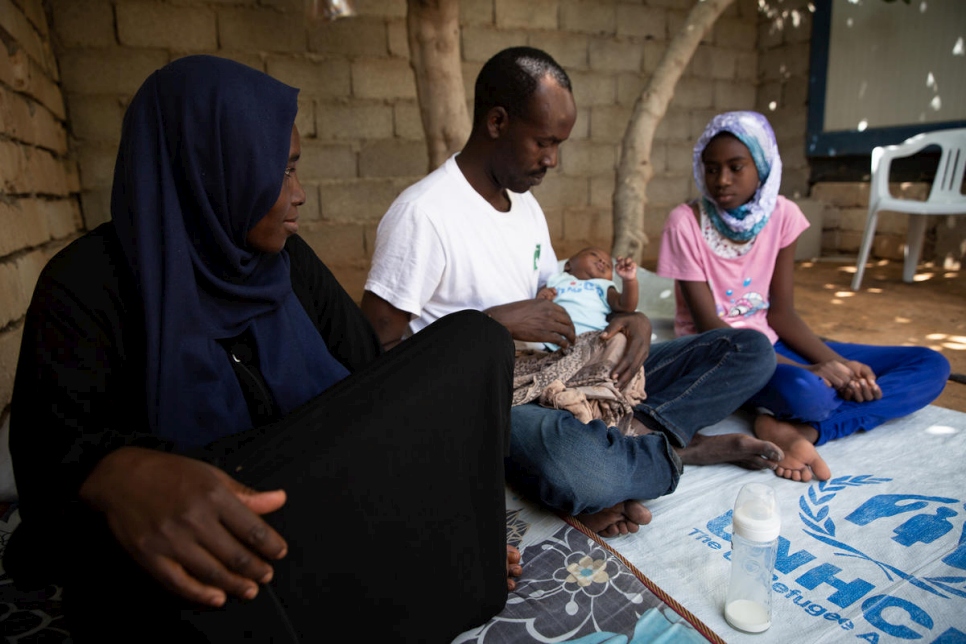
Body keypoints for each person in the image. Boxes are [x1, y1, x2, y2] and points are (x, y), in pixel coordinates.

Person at [4, 55, 522, 642]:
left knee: (475, 342)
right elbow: (52, 480)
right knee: (152, 595)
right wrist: (119, 474)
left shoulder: (288, 266)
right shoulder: (88, 284)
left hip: (319, 505)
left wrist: (439, 505)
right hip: (207, 546)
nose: (298, 195)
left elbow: (368, 394)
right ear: (208, 170)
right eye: (281, 172)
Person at [361, 46, 786, 539]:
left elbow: (557, 292)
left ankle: (644, 435)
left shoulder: (524, 207)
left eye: (559, 144)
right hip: (493, 396)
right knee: (577, 468)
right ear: (497, 122)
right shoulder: (423, 215)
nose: (554, 160)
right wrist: (491, 325)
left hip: (567, 371)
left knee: (748, 350)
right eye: (544, 142)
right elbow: (376, 354)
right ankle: (667, 448)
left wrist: (626, 319)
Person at [656, 110, 951, 482]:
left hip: (773, 339)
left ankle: (800, 430)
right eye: (711, 169)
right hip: (725, 356)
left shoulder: (784, 216)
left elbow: (781, 314)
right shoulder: (685, 222)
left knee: (931, 366)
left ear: (761, 166)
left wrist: (836, 363)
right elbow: (713, 331)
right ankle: (793, 412)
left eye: (736, 167)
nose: (721, 180)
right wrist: (809, 370)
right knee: (808, 396)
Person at [536, 246, 639, 352]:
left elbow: (626, 306)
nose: (602, 261)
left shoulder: (604, 286)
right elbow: (536, 303)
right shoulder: (557, 280)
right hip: (552, 342)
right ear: (568, 265)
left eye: (609, 265)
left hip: (592, 342)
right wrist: (542, 297)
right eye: (594, 255)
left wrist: (629, 281)